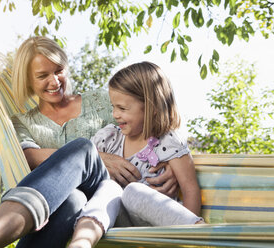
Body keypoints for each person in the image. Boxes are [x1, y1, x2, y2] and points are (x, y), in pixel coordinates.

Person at [0, 37, 179, 248]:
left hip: (115, 198)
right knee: (73, 199)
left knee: (83, 147)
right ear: (27, 80)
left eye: (59, 70)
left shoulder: (101, 100)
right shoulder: (22, 122)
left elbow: (149, 119)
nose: (54, 81)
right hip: (70, 209)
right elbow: (29, 157)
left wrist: (171, 161)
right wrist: (100, 158)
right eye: (42, 75)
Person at [68, 61, 204, 248]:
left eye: (122, 108)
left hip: (162, 228)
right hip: (117, 225)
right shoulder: (108, 138)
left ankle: (199, 234)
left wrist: (186, 241)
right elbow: (82, 163)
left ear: (151, 107)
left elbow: (190, 189)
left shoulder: (169, 141)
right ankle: (81, 243)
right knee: (109, 188)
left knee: (133, 191)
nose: (115, 114)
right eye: (113, 107)